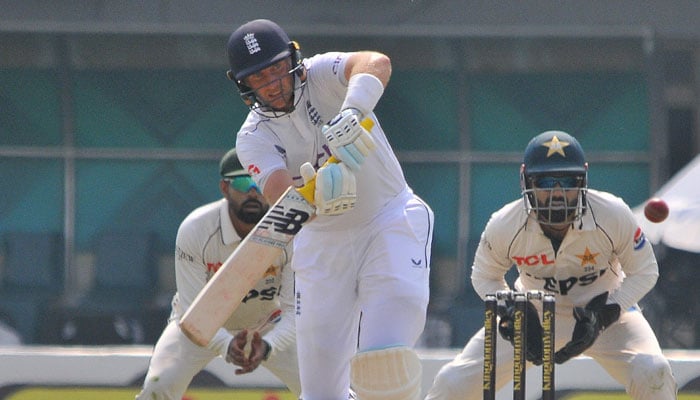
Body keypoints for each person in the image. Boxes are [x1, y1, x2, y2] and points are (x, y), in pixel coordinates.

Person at [227, 19, 434, 400]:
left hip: (388, 220)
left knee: (382, 366)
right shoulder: (253, 137)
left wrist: (353, 111)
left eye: (276, 69)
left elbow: (377, 62)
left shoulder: (321, 75)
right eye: (259, 78)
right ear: (244, 86)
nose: (272, 83)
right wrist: (315, 197)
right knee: (321, 394)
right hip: (321, 245)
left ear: (292, 58)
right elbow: (279, 195)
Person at [425, 130, 677, 400]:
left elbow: (645, 270)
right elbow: (484, 276)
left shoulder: (612, 213)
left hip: (607, 315)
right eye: (545, 182)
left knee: (654, 371)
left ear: (583, 179)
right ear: (525, 179)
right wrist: (512, 312)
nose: (557, 194)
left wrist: (605, 314)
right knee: (452, 383)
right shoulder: (505, 223)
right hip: (534, 315)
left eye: (568, 181)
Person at [135, 148, 301, 399]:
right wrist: (225, 344)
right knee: (158, 388)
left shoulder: (288, 230)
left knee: (329, 388)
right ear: (225, 188)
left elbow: (295, 311)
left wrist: (268, 346)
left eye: (259, 182)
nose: (253, 192)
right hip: (197, 325)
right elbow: (192, 307)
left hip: (266, 324)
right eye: (244, 183)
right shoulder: (196, 229)